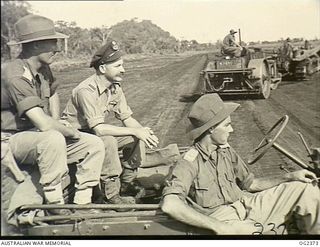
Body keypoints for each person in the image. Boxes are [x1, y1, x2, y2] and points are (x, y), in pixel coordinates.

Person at [161, 93, 320, 235]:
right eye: (227, 125)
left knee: (306, 189)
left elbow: (251, 184)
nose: (232, 130)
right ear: (211, 129)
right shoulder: (189, 162)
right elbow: (170, 204)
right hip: (222, 219)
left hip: (245, 205)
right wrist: (222, 228)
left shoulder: (226, 151)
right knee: (265, 231)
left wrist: (288, 177)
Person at [1, 14, 105, 216]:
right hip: (10, 139)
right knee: (53, 137)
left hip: (34, 135)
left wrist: (57, 121)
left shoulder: (42, 68)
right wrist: (67, 130)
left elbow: (53, 92)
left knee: (93, 144)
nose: (57, 49)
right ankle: (55, 205)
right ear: (35, 46)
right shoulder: (15, 74)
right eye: (52, 43)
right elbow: (43, 124)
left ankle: (83, 203)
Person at [61, 40, 159, 205]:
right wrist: (136, 131)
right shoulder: (86, 90)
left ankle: (127, 183)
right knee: (109, 140)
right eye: (118, 66)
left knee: (135, 137)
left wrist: (142, 132)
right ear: (102, 68)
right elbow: (99, 130)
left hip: (92, 133)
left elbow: (126, 118)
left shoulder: (115, 87)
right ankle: (111, 195)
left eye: (122, 65)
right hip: (74, 138)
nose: (123, 69)